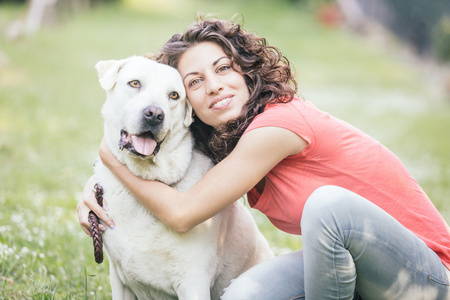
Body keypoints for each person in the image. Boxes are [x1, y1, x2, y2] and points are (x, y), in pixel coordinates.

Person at [77, 16, 450, 300]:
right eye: (194, 82)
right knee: (241, 295)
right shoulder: (229, 143)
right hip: (357, 267)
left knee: (328, 205)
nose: (214, 85)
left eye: (223, 68)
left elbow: (182, 213)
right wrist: (95, 191)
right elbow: (162, 153)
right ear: (186, 108)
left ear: (246, 69)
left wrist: (109, 160)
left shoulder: (278, 124)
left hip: (428, 276)